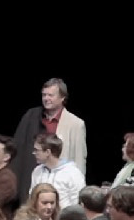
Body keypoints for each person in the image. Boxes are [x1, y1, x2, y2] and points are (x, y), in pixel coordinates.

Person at [10, 78, 87, 206]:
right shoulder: (32, 116)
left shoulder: (75, 124)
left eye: (51, 95)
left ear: (62, 98)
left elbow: (79, 158)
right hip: (34, 178)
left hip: (61, 185)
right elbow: (18, 146)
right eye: (44, 95)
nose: (46, 98)